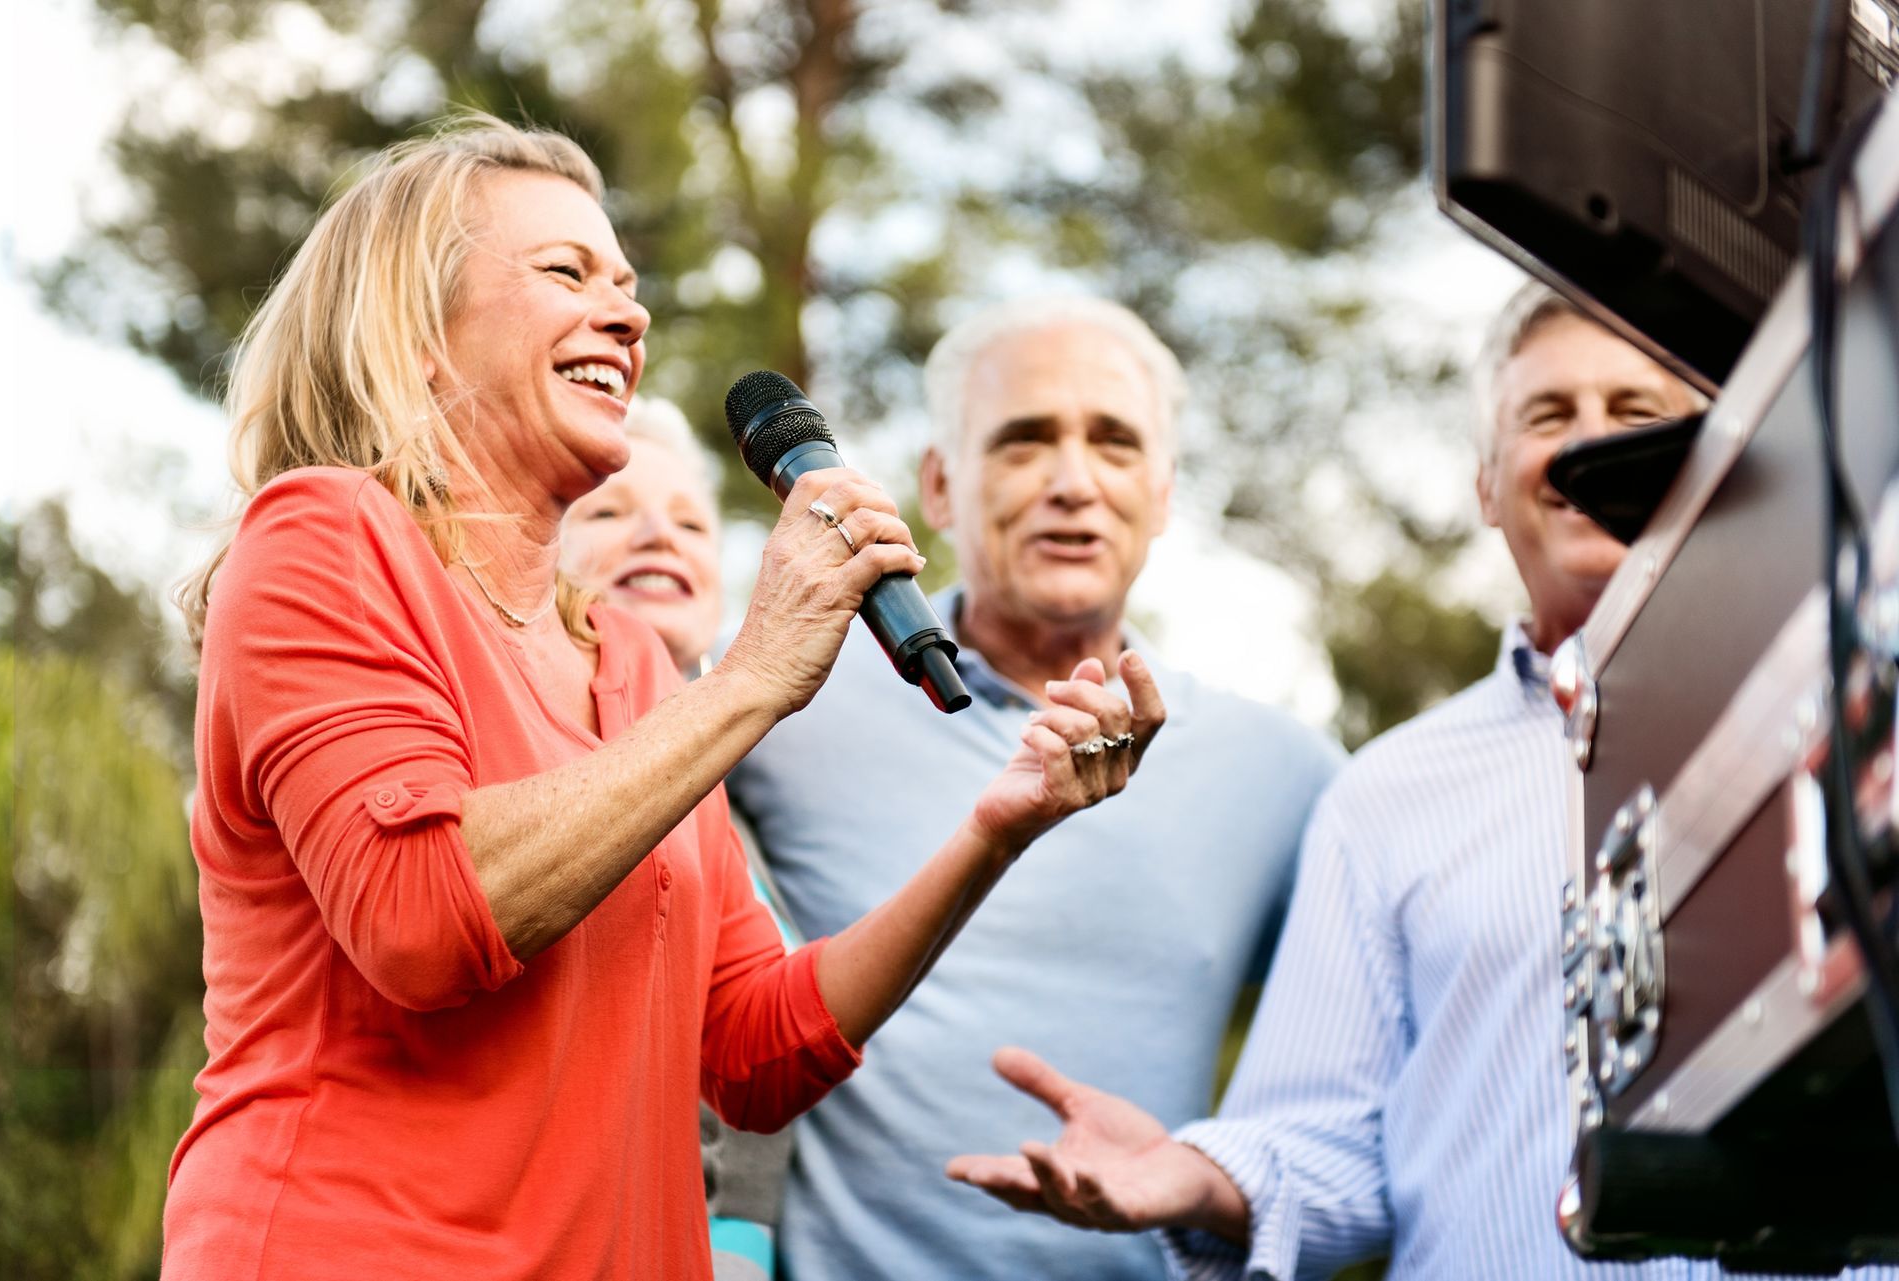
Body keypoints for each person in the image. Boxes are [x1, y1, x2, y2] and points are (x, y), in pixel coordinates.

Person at [162, 115, 1166, 1281]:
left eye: (630, 285)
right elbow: (423, 917)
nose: (629, 316)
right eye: (565, 272)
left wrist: (998, 827)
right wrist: (751, 677)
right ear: (415, 331)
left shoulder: (632, 664)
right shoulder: (322, 538)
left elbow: (753, 1050)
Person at [945, 282, 1757, 1279]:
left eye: (1634, 415)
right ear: (1487, 487)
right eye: (1549, 416)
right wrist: (1197, 1177)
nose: (1587, 445)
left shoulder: (1852, 715)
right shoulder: (1385, 797)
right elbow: (1339, 1141)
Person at [728, 296, 1342, 1280]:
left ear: (1163, 489)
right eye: (1022, 442)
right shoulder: (777, 706)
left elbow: (1356, 1101)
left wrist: (1213, 1182)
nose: (1072, 483)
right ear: (939, 483)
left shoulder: (1287, 774)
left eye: (1113, 443)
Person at [558, 396, 800, 1281]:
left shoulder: (748, 800)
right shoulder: (524, 775)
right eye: (608, 509)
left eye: (692, 522)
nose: (658, 534)